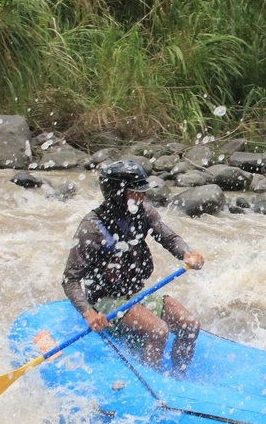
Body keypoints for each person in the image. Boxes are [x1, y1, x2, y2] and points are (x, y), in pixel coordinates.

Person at [62, 160, 205, 374]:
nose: (142, 196)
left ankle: (178, 378)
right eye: (136, 192)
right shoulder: (92, 228)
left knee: (190, 324)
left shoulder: (143, 213)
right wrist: (88, 313)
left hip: (136, 293)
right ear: (116, 193)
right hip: (105, 300)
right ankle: (152, 383)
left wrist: (187, 254)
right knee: (158, 331)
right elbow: (70, 279)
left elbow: (169, 238)